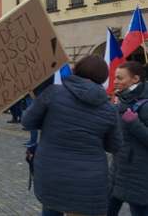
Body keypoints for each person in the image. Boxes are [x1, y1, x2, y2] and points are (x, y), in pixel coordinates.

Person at [22, 55, 121, 216]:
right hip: (90, 179)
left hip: (52, 172)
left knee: (51, 206)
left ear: (77, 70)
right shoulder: (109, 109)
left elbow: (27, 122)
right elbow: (114, 146)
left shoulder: (53, 93)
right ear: (103, 78)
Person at [108, 61, 148, 215]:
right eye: (115, 77)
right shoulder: (122, 99)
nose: (115, 82)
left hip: (139, 175)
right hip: (118, 168)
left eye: (120, 78)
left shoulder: (145, 104)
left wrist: (133, 123)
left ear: (135, 79)